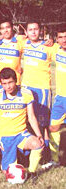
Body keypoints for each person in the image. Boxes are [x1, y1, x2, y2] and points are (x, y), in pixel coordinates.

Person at [0, 67, 44, 176]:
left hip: (21, 134)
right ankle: (10, 159)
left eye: (10, 82)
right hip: (5, 136)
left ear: (16, 80)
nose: (8, 86)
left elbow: (31, 117)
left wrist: (39, 134)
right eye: (4, 83)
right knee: (7, 172)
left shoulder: (26, 93)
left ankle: (32, 173)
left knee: (38, 144)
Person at [21, 21, 53, 164]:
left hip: (42, 89)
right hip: (26, 88)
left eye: (36, 29)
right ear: (26, 32)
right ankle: (30, 150)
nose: (33, 32)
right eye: (30, 29)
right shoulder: (23, 43)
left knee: (43, 123)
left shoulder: (48, 47)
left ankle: (45, 154)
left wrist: (51, 40)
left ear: (40, 31)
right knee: (27, 119)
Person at [0, 20, 24, 93]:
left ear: (12, 28)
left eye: (8, 27)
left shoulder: (20, 41)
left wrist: (50, 40)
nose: (6, 30)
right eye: (3, 28)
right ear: (0, 30)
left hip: (14, 83)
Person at [49, 25, 66, 166]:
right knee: (54, 127)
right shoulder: (56, 50)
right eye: (60, 37)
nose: (64, 40)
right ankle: (54, 160)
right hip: (60, 98)